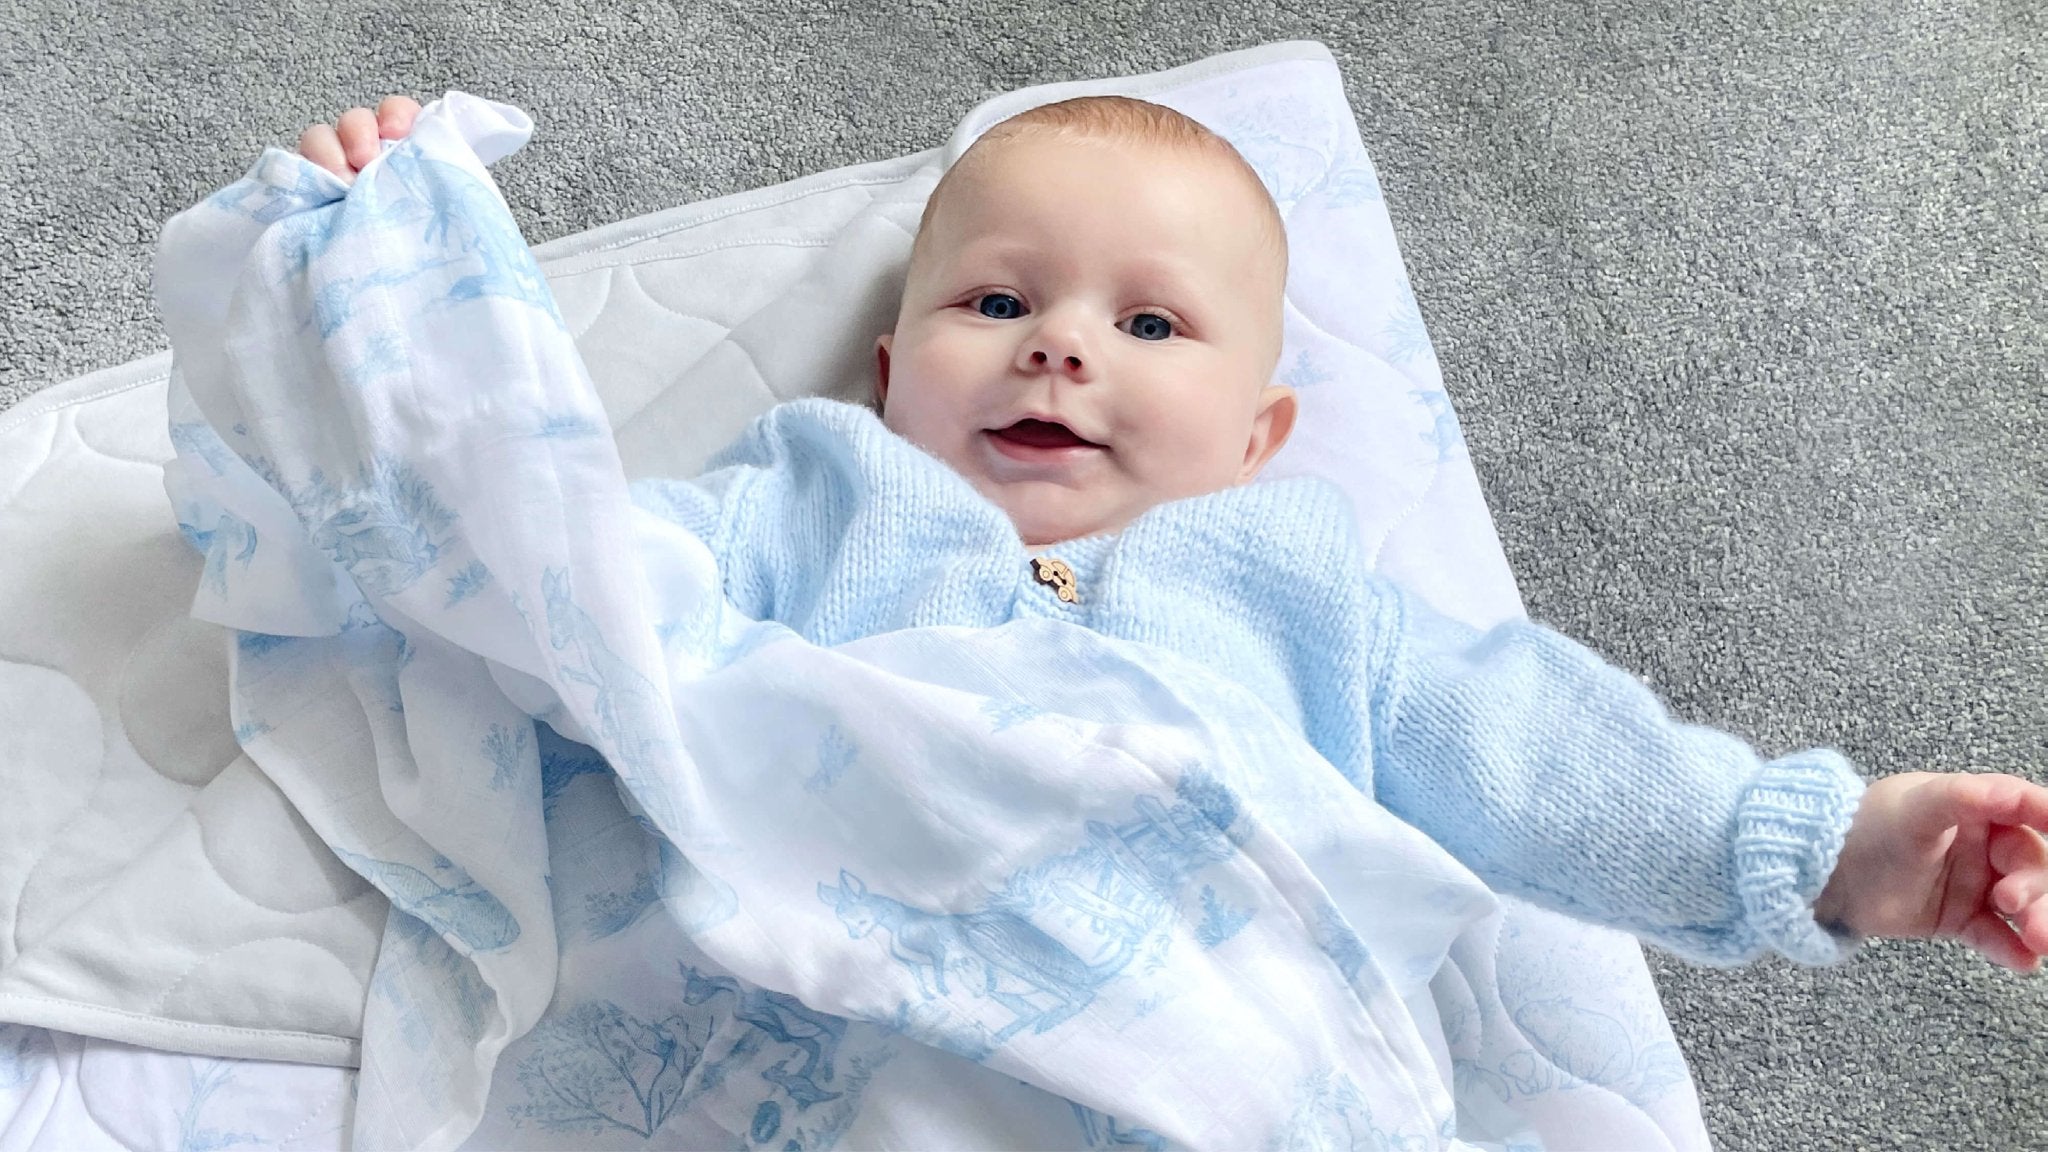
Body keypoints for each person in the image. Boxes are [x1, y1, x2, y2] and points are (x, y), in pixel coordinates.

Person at [296, 94, 2048, 975]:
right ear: (896, 371)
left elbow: (1535, 757)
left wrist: (1815, 843)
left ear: (1257, 437)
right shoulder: (809, 491)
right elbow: (569, 575)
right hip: (853, 981)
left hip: (1219, 997)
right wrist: (408, 288)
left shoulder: (1297, 588)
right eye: (999, 300)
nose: (1061, 342)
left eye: (1150, 328)